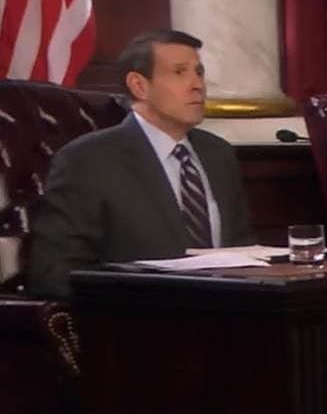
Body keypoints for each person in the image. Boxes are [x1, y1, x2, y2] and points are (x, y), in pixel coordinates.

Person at [28, 31, 253, 299]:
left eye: (199, 72)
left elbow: (243, 251)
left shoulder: (218, 154)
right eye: (179, 72)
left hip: (231, 312)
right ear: (139, 86)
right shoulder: (87, 160)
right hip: (138, 316)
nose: (197, 85)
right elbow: (53, 273)